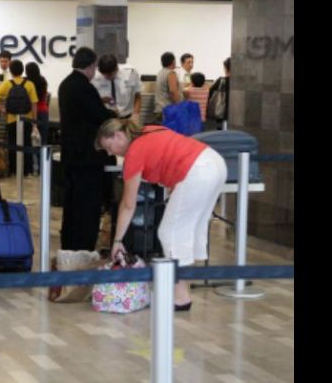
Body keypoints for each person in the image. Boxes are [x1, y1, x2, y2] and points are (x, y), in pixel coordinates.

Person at [96, 118, 227, 311]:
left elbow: (128, 204)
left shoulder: (134, 152)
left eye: (109, 147)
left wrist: (117, 241)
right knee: (186, 231)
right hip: (215, 163)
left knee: (169, 233)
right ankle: (180, 292)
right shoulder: (149, 130)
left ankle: (180, 298)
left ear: (118, 135)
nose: (109, 153)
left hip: (197, 171)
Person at [57, 47, 116, 251]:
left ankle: (70, 244)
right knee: (88, 206)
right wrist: (113, 114)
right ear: (91, 66)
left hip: (71, 154)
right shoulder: (84, 87)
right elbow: (99, 117)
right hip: (87, 157)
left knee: (72, 204)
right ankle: (84, 246)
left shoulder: (66, 84)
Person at [0, 59, 38, 176]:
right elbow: (34, 104)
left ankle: (13, 170)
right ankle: (27, 170)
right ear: (22, 70)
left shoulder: (8, 84)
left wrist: (2, 109)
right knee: (27, 144)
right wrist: (34, 122)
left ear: (11, 71)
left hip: (11, 119)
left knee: (12, 144)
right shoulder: (29, 84)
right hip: (27, 119)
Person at [91, 54, 141, 121]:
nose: (107, 77)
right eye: (104, 75)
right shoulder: (94, 76)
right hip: (105, 118)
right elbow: (90, 100)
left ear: (117, 68)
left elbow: (137, 96)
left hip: (126, 117)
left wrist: (135, 115)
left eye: (110, 75)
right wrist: (102, 100)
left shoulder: (130, 73)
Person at [154, 51, 181, 122]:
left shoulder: (160, 72)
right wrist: (180, 107)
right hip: (168, 110)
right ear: (173, 61)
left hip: (159, 109)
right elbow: (173, 92)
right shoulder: (171, 73)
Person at [208, 57, 231, 127]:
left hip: (222, 110)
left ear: (226, 68)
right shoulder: (240, 82)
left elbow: (210, 92)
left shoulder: (222, 80)